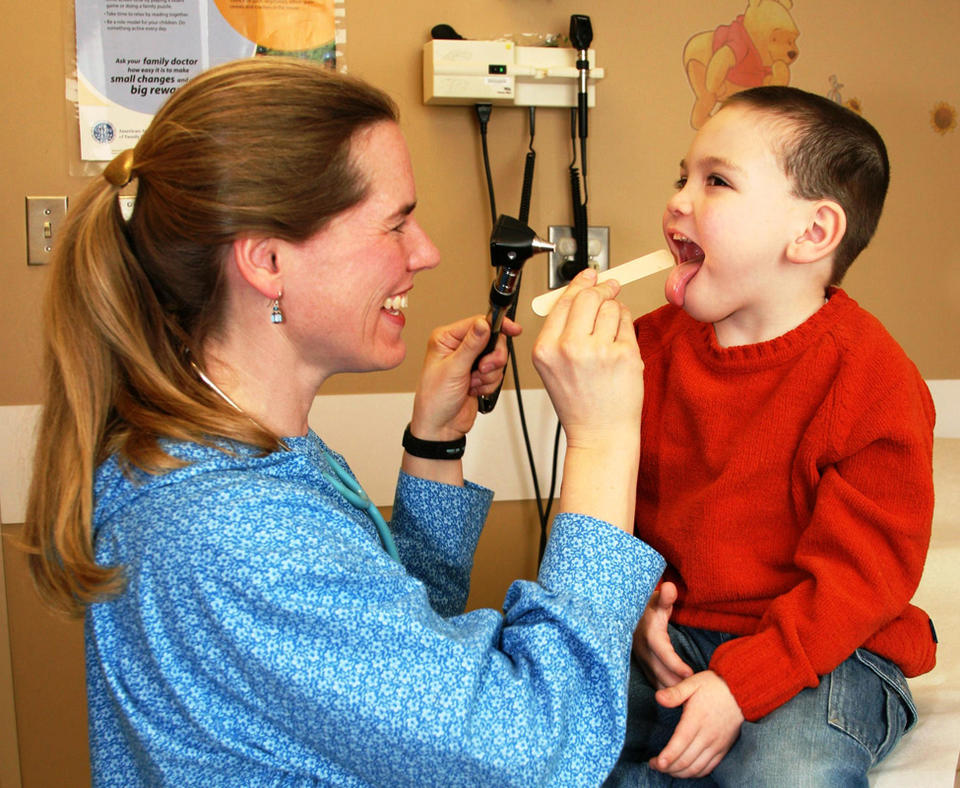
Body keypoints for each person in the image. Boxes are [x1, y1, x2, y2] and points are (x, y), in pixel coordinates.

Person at [23, 57, 666, 786]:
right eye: (396, 224)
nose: (426, 253)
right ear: (267, 260)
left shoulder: (238, 453)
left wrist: (434, 444)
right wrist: (604, 440)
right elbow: (538, 749)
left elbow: (388, 661)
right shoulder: (232, 532)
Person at [606, 85, 937, 786]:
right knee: (553, 734)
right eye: (682, 177)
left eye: (716, 181)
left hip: (830, 649)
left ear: (812, 234)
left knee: (789, 771)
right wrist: (635, 609)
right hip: (675, 637)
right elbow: (616, 510)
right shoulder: (647, 349)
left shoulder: (872, 379)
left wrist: (740, 685)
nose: (678, 200)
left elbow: (862, 579)